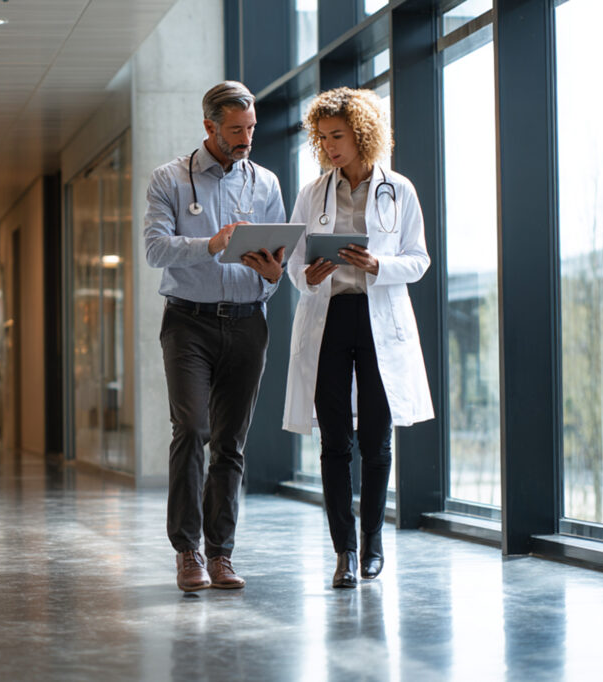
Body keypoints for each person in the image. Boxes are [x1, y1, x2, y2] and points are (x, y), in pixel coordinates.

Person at [282, 87, 434, 588]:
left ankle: (372, 543)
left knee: (376, 439)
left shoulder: (400, 190)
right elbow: (292, 263)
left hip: (378, 321)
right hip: (329, 319)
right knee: (334, 443)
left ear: (362, 134)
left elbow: (418, 258)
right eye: (323, 138)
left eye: (338, 137)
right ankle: (343, 551)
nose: (329, 147)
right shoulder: (312, 193)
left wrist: (378, 264)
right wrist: (307, 274)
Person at [144, 81, 287, 592]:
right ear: (209, 127)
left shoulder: (265, 182)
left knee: (231, 442)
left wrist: (274, 272)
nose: (246, 138)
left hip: (249, 321)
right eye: (235, 130)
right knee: (192, 429)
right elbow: (156, 249)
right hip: (189, 323)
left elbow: (277, 257)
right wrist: (211, 244)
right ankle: (187, 551)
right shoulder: (170, 180)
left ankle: (221, 554)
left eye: (250, 128)